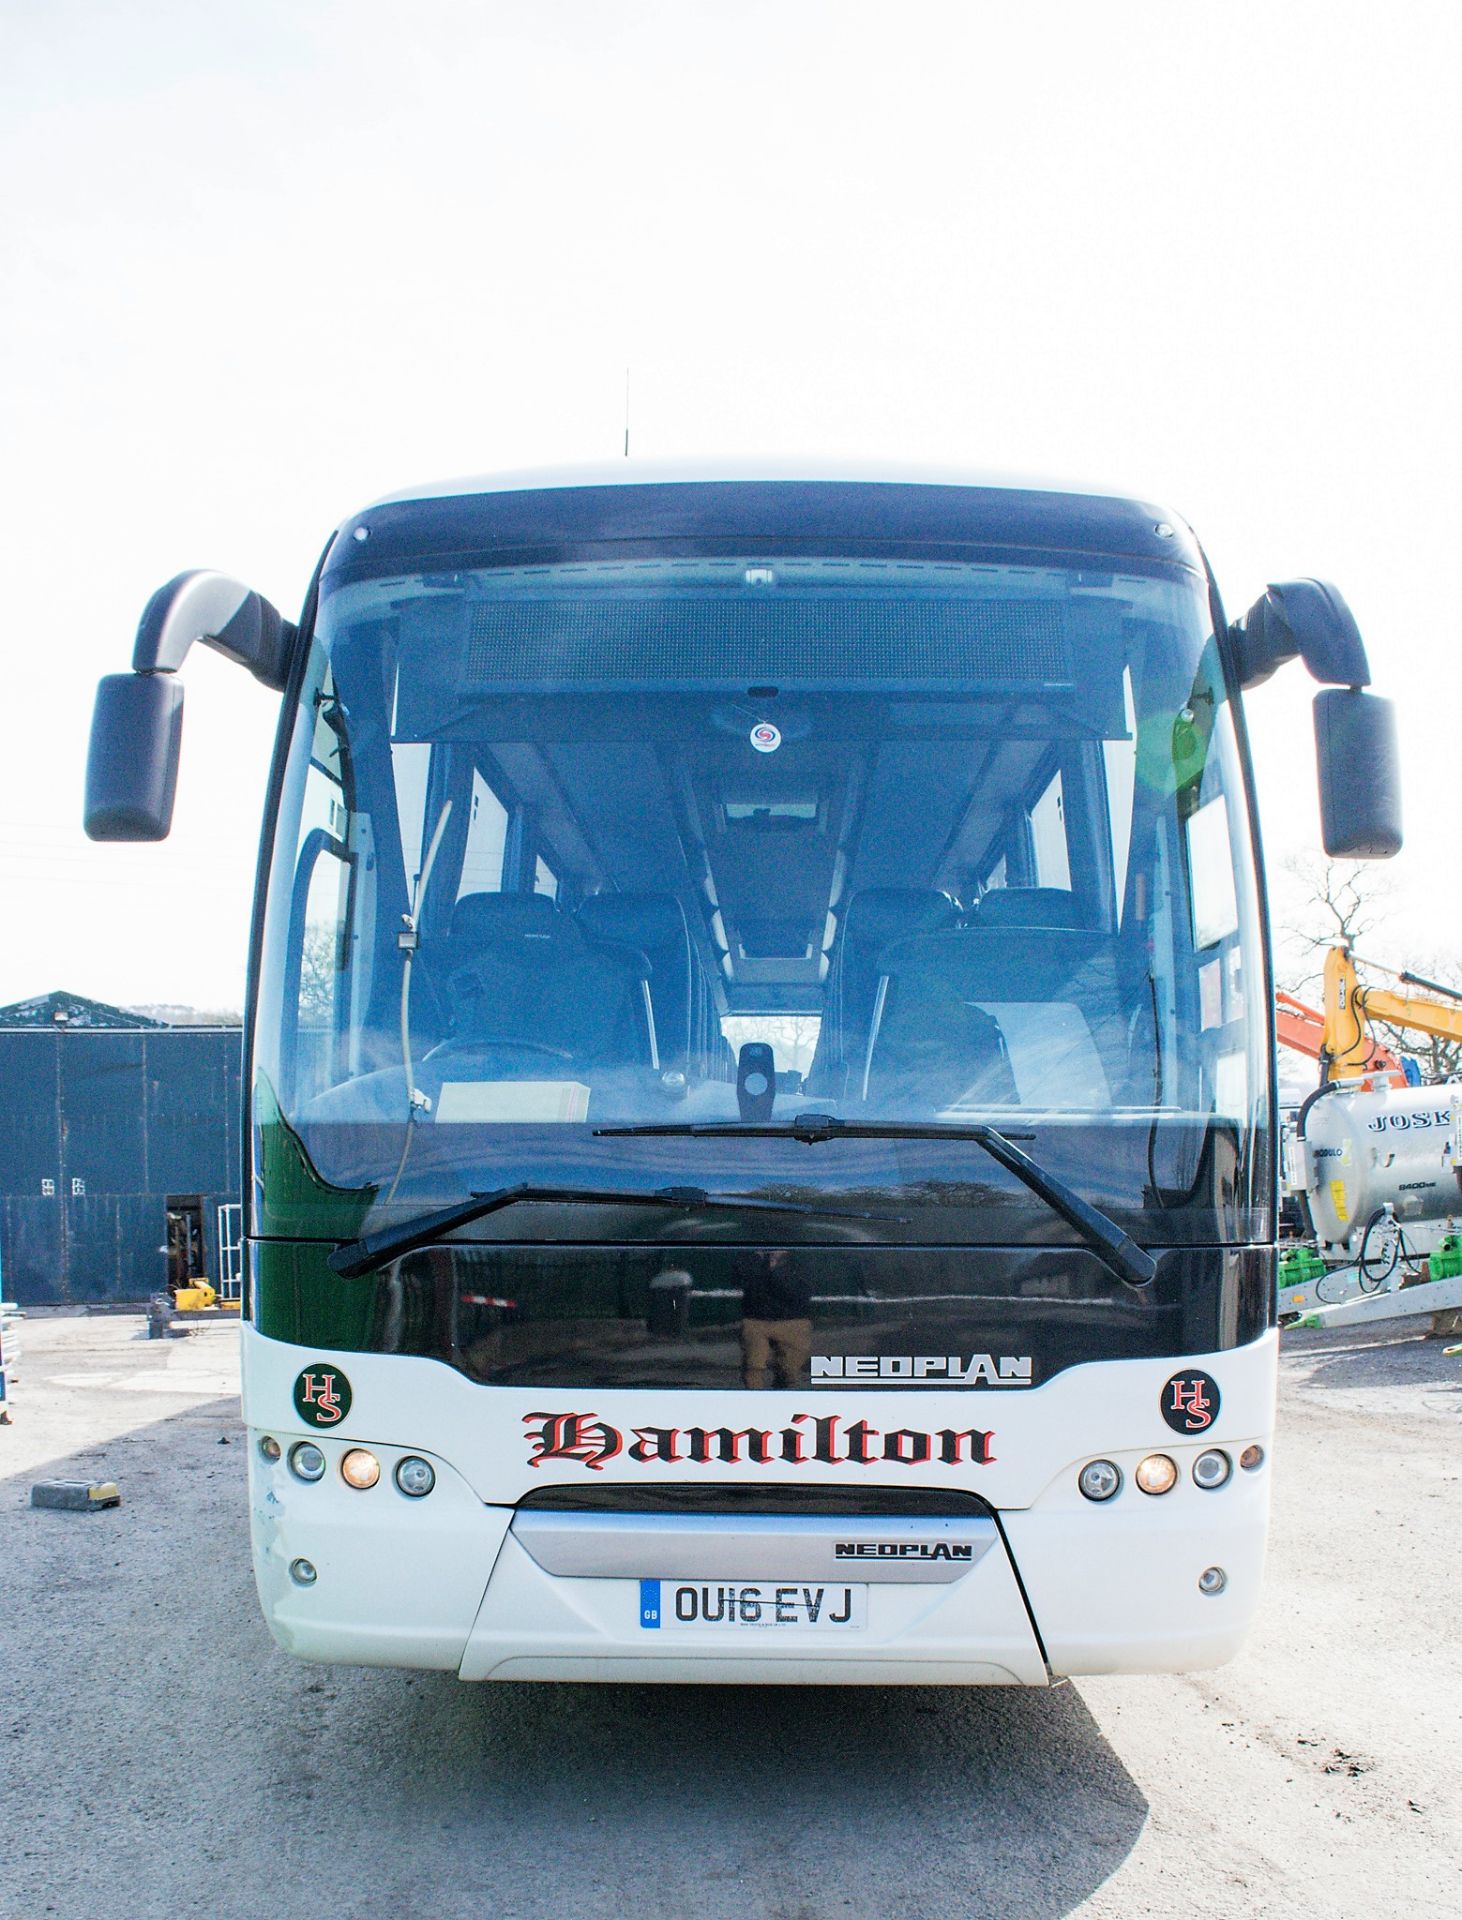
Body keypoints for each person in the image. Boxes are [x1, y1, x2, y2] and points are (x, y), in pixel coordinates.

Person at [737, 1248, 813, 1389]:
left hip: (793, 1322)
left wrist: (774, 1268)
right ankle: (753, 1402)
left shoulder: (800, 1262)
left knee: (790, 1370)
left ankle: (783, 1398)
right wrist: (758, 1260)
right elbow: (743, 1280)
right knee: (753, 1367)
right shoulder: (750, 1259)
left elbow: (795, 1290)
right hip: (756, 1320)